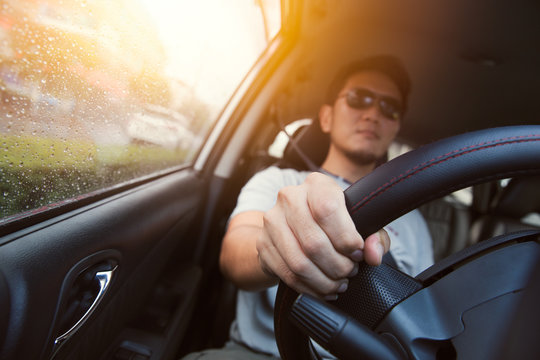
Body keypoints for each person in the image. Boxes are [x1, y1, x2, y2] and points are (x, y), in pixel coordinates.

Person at [182, 55, 434, 359]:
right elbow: (235, 250)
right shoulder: (278, 180)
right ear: (326, 117)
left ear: (395, 128)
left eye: (388, 108)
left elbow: (423, 309)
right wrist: (270, 250)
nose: (372, 114)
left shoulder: (413, 216)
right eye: (358, 98)